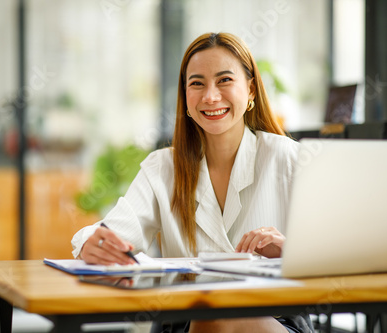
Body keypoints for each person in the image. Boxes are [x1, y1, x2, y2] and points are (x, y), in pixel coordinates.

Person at [71, 32, 313, 333]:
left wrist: (291, 252)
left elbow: (338, 249)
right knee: (211, 311)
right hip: (187, 322)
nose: (211, 97)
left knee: (227, 312)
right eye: (197, 83)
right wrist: (92, 244)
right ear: (185, 97)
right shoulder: (163, 167)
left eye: (224, 80)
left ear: (250, 90)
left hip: (276, 318)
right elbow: (111, 233)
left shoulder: (287, 157)